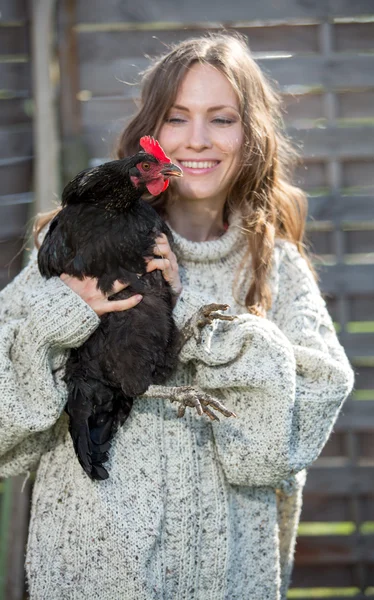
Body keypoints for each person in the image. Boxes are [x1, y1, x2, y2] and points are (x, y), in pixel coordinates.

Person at [0, 33, 354, 600]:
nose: (196, 139)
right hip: (93, 575)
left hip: (231, 580)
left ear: (252, 135)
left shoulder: (274, 265)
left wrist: (187, 314)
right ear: (151, 134)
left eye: (221, 119)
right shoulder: (78, 242)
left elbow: (283, 442)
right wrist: (59, 314)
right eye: (176, 117)